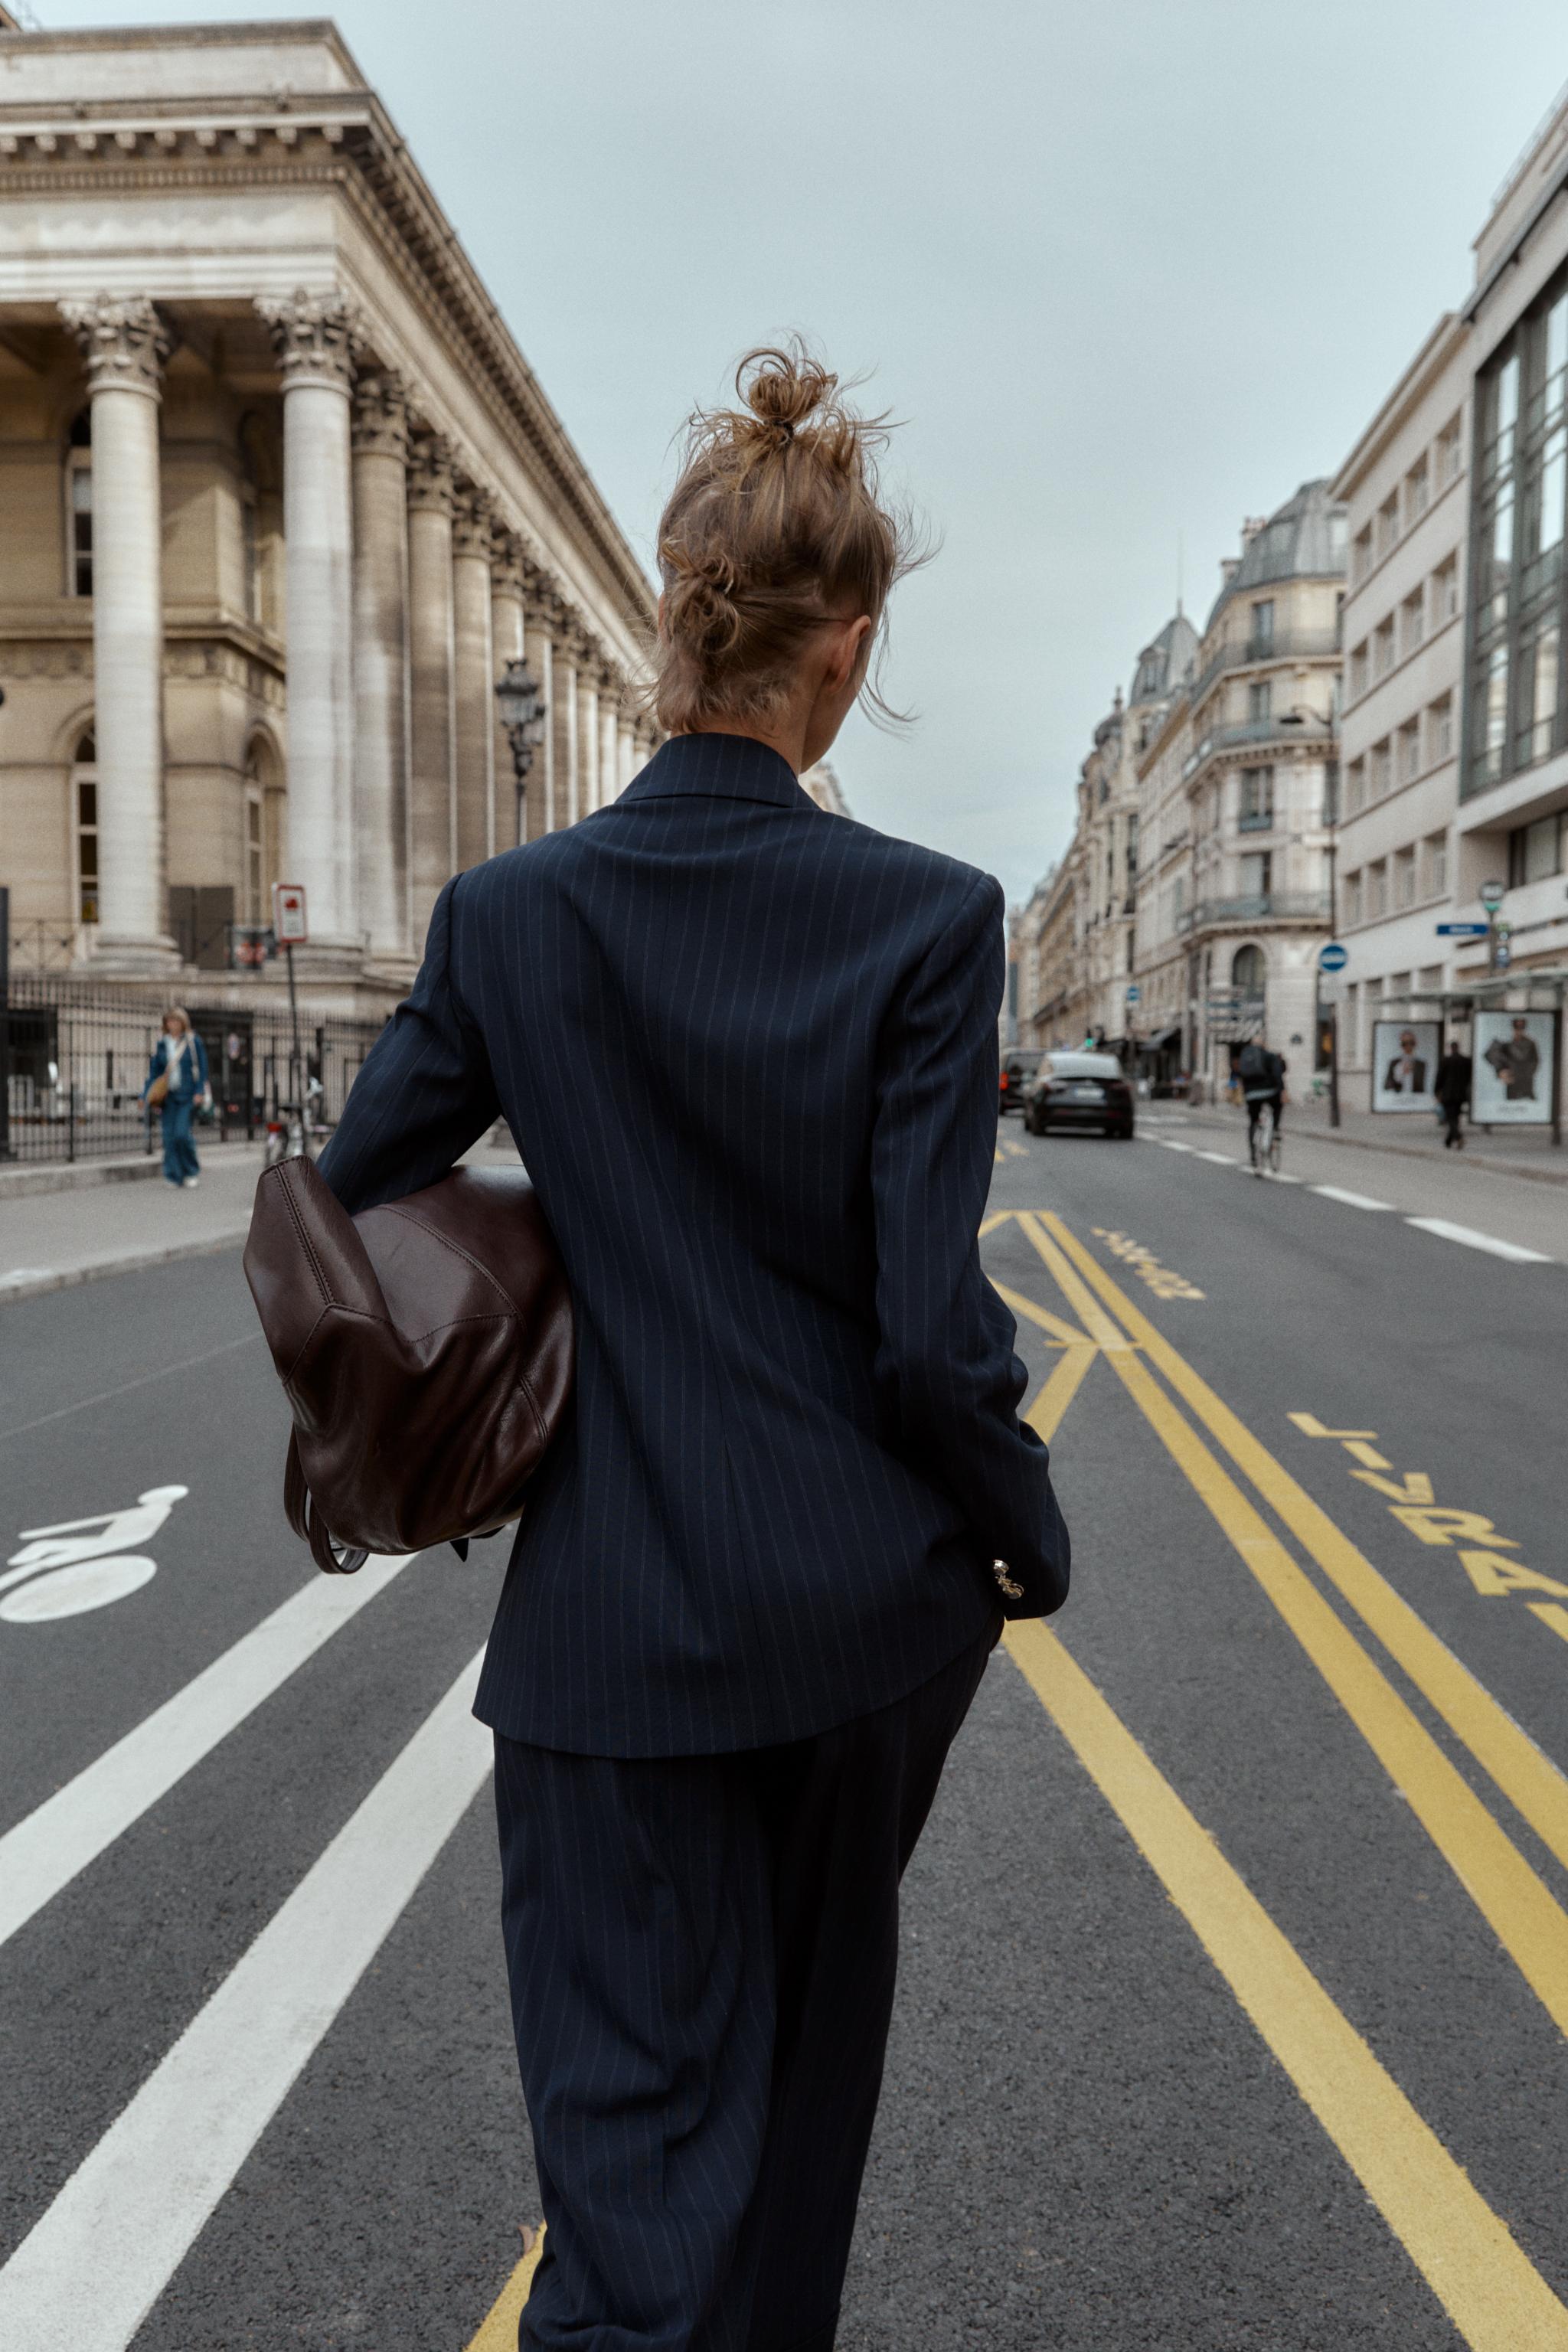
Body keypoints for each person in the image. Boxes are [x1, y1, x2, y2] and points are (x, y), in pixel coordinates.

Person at [314, 343, 1069, 2351]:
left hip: (611, 1636)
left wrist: (553, 1274)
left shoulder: (511, 914)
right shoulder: (931, 918)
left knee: (633, 2178)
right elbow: (927, 1334)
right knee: (798, 2133)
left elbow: (344, 1198)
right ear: (847, 655)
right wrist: (1025, 1534)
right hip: (861, 1629)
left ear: (673, 627)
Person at [142, 1006, 210, 1187]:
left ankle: (191, 1170)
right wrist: (146, 1095)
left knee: (182, 1134)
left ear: (183, 1023)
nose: (173, 1024)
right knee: (169, 1137)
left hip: (187, 1095)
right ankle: (173, 1175)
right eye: (170, 1021)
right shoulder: (162, 1044)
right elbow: (155, 1073)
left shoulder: (193, 1042)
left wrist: (199, 1091)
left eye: (176, 1021)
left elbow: (202, 1069)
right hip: (168, 1097)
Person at [1236, 1034, 1285, 1152]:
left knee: (1253, 1121)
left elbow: (1240, 1074)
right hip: (1270, 1092)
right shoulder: (1270, 1056)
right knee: (1277, 1106)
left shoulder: (1246, 1057)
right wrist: (1282, 1090)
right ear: (1264, 1044)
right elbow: (1278, 1075)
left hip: (1251, 1094)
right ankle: (1275, 1128)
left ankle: (1253, 1154)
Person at [1484, 1014, 1540, 1102]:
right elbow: (1491, 1055)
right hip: (1512, 1082)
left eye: (1521, 1027)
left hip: (1526, 1083)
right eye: (1517, 1027)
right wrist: (1501, 1070)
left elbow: (1535, 1062)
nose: (1519, 1030)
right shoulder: (1506, 1043)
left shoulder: (1530, 1044)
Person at [1434, 1037, 1472, 1149]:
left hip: (1448, 1094)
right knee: (1455, 1117)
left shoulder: (1446, 1061)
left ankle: (1458, 1137)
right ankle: (1448, 1141)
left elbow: (1439, 1078)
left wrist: (1436, 1092)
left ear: (1451, 1048)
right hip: (1460, 1094)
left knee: (1450, 1118)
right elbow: (1469, 1077)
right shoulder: (1466, 1061)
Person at [1383, 1028, 1428, 1096]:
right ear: (1401, 1045)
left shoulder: (1421, 1064)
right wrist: (1400, 1073)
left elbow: (1421, 1087)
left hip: (1415, 1099)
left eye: (1411, 1043)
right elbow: (1387, 1086)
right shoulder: (1394, 1063)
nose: (1408, 1046)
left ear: (1415, 1044)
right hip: (1398, 1099)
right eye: (1405, 1044)